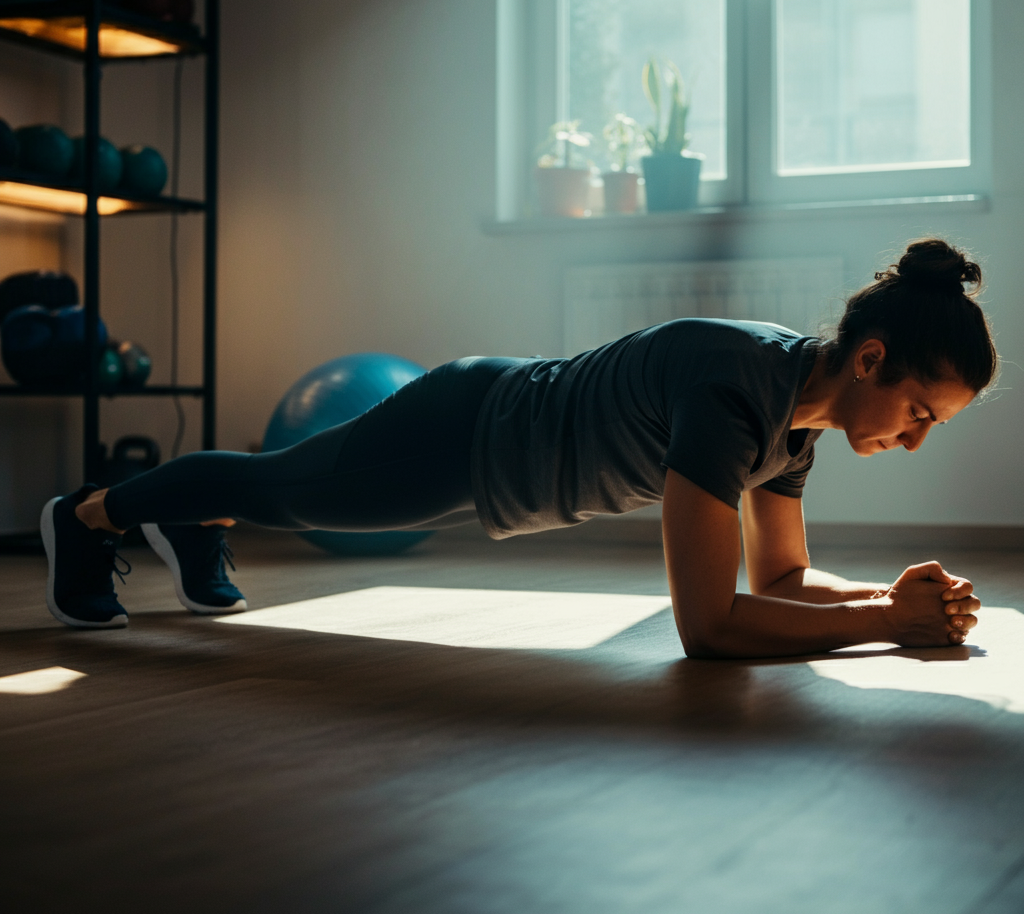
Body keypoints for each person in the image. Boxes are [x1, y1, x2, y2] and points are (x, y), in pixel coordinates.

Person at [41, 238, 995, 658]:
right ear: (871, 358)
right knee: (284, 489)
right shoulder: (736, 389)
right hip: (466, 432)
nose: (913, 442)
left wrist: (891, 599)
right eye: (919, 412)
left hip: (496, 440)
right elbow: (710, 629)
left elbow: (782, 582)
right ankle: (89, 515)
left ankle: (196, 524)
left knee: (278, 489)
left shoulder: (796, 423)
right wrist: (884, 626)